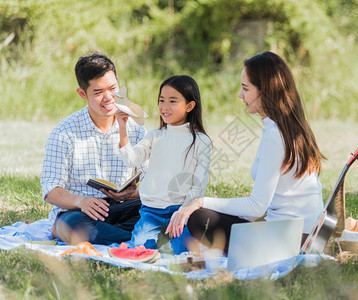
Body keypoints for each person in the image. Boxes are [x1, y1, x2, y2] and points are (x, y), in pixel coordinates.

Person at [166, 51, 325, 253]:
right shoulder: (288, 127)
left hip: (289, 241)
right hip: (299, 234)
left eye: (245, 88)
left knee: (199, 218)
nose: (240, 95)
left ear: (265, 91)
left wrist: (199, 201)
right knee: (209, 214)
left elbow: (257, 206)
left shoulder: (276, 135)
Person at [41, 52, 147, 245]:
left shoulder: (136, 128)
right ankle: (140, 238)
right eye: (98, 92)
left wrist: (132, 194)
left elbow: (154, 184)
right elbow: (50, 190)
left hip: (122, 208)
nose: (108, 98)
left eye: (113, 88)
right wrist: (81, 202)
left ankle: (121, 235)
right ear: (82, 94)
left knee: (165, 207)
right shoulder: (64, 133)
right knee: (76, 226)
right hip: (79, 212)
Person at [115, 75, 211, 254]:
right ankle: (160, 240)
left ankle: (168, 241)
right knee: (138, 250)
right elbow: (131, 159)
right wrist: (122, 127)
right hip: (151, 212)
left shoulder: (201, 141)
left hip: (181, 212)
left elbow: (199, 185)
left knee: (183, 252)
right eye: (161, 100)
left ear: (190, 106)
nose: (165, 107)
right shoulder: (154, 136)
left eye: (173, 101)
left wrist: (184, 211)